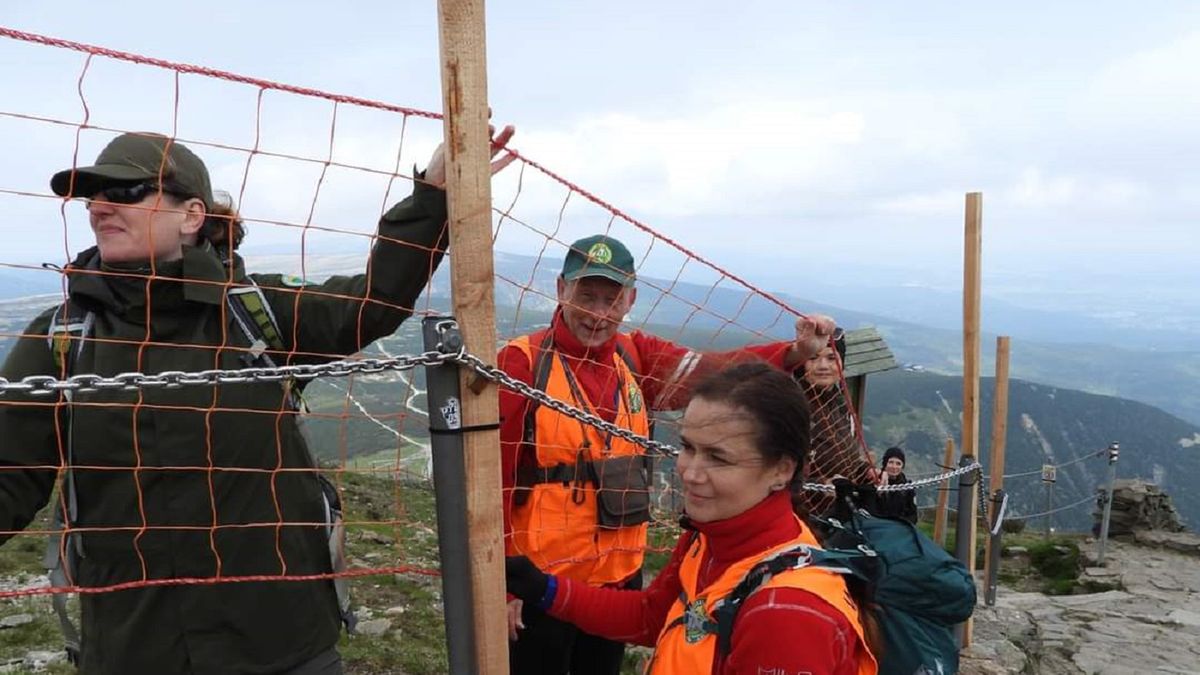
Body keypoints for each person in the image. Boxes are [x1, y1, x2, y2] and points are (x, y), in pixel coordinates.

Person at [0, 127, 515, 675]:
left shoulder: (256, 313)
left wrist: (432, 199)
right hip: (135, 649)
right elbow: (10, 476)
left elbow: (372, 303)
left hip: (283, 643)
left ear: (191, 215)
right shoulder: (61, 339)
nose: (100, 208)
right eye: (91, 197)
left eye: (125, 192)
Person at [497, 234, 837, 675]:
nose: (598, 313)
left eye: (611, 299)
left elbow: (714, 372)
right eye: (586, 296)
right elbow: (495, 478)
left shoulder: (635, 356)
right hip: (540, 579)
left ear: (630, 300)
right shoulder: (522, 363)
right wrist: (507, 585)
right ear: (562, 290)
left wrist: (792, 354)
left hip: (620, 578)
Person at [505, 362, 877, 674]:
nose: (690, 472)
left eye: (718, 458)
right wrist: (542, 588)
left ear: (781, 470)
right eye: (687, 447)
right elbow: (651, 617)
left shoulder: (785, 617)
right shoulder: (712, 535)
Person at [796, 329, 872, 491]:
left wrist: (865, 472)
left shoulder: (839, 404)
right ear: (801, 365)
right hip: (803, 505)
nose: (823, 366)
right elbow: (776, 475)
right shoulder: (793, 407)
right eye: (813, 358)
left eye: (831, 358)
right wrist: (822, 487)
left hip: (839, 501)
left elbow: (845, 458)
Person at [875, 446, 918, 524]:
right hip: (878, 525)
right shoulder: (875, 481)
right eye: (891, 462)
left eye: (898, 463)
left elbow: (913, 515)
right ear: (885, 463)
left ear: (902, 466)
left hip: (899, 526)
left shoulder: (908, 487)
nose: (894, 467)